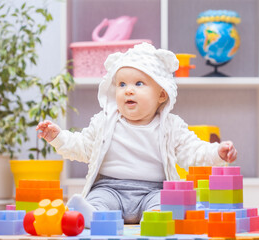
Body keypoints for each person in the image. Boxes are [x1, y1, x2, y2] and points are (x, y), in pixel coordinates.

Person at [36, 42, 237, 228]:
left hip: (153, 190)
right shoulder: (104, 122)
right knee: (98, 200)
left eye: (138, 84)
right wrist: (58, 136)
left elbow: (193, 151)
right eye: (122, 84)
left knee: (164, 201)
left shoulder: (170, 126)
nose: (128, 91)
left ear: (161, 94)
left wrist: (217, 152)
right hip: (109, 187)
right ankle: (92, 214)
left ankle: (158, 215)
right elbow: (81, 146)